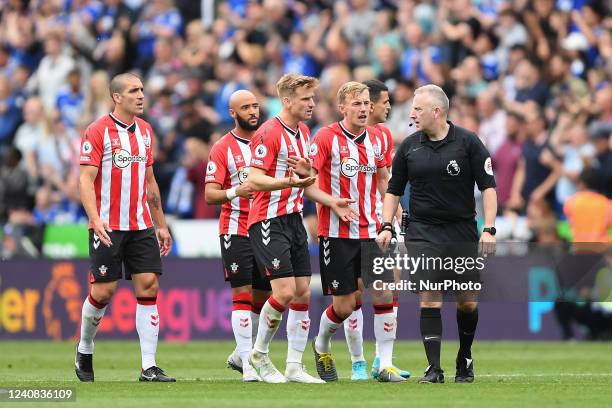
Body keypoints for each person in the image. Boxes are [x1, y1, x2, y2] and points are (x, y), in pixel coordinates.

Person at [377, 84, 497, 384]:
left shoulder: (468, 143)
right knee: (430, 298)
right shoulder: (408, 146)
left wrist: (490, 229)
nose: (412, 114)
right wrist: (386, 224)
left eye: (418, 109)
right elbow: (393, 190)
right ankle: (434, 368)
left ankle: (464, 358)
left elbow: (488, 187)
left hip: (461, 231)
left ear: (437, 111)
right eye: (412, 109)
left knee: (467, 301)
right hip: (422, 231)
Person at [246, 73, 356, 383]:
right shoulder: (268, 133)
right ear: (286, 100)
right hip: (267, 220)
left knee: (303, 292)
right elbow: (253, 179)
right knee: (284, 291)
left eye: (312, 98)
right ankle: (259, 355)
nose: (312, 104)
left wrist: (331, 201)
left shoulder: (303, 132)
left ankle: (294, 365)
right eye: (306, 99)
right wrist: (287, 182)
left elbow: (306, 185)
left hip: (293, 219)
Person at [75, 73, 175, 382]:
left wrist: (161, 225)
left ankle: (149, 366)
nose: (141, 95)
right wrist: (94, 217)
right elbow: (85, 180)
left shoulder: (145, 131)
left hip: (141, 223)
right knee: (103, 292)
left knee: (149, 286)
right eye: (134, 90)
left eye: (142, 89)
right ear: (117, 97)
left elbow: (149, 182)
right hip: (108, 224)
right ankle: (85, 347)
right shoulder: (97, 131)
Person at [309, 81, 403, 383]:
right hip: (336, 234)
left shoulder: (380, 137)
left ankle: (384, 364)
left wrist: (393, 218)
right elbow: (307, 183)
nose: (363, 109)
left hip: (374, 230)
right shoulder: (325, 138)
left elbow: (384, 180)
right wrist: (332, 203)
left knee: (384, 291)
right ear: (342, 108)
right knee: (345, 305)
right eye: (357, 104)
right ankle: (321, 343)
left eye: (366, 103)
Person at [204, 90, 272, 382]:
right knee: (242, 295)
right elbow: (210, 194)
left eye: (255, 106)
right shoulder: (222, 148)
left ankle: (241, 353)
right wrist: (235, 191)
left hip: (267, 228)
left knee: (267, 296)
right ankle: (248, 364)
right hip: (235, 228)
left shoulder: (269, 141)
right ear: (233, 113)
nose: (253, 111)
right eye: (246, 107)